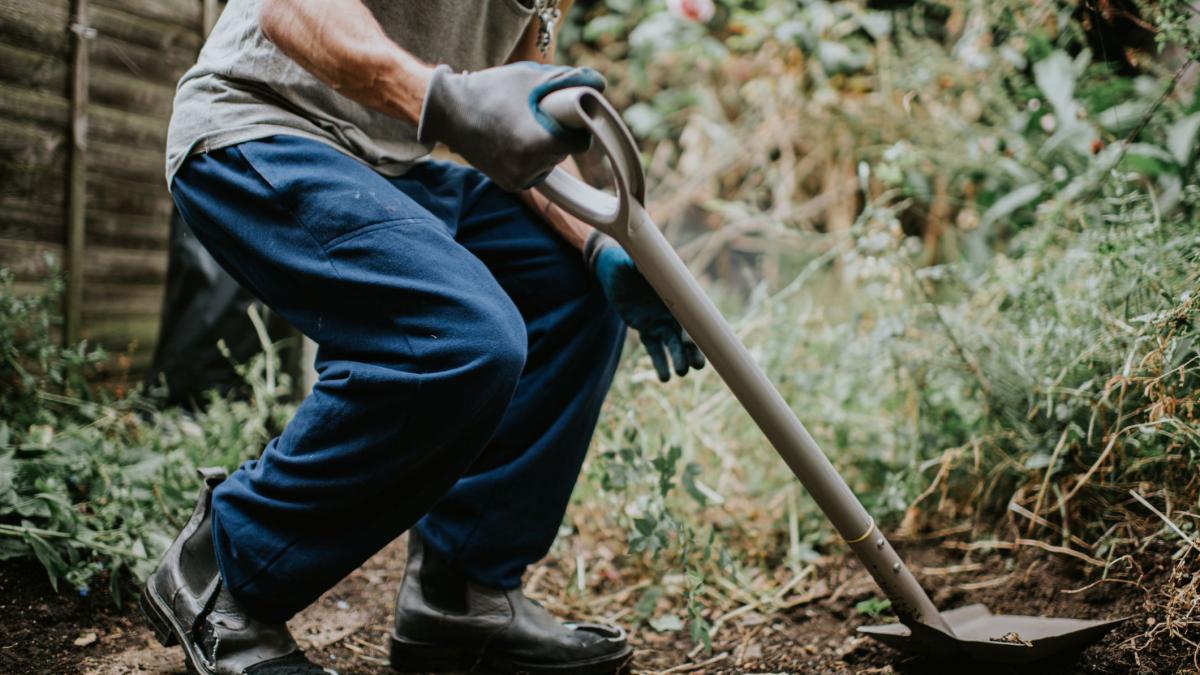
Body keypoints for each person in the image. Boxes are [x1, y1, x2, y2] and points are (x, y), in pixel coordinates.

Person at [139, 1, 705, 674]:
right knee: (459, 337)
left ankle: (460, 593)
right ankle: (224, 569)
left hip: (395, 167)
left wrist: (595, 244)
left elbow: (519, 116)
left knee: (576, 290)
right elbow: (291, 10)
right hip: (260, 126)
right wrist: (441, 99)